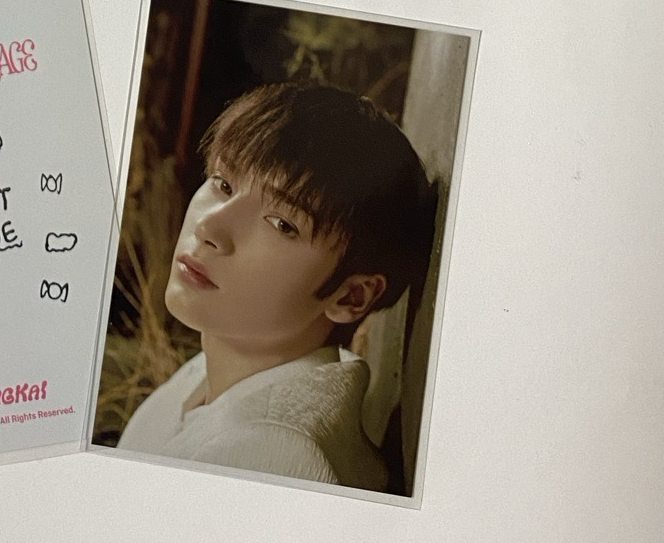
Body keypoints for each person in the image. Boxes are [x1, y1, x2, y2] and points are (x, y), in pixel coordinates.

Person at [117, 81, 435, 491]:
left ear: (350, 296)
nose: (209, 227)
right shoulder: (218, 368)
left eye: (282, 224)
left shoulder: (271, 453)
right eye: (224, 184)